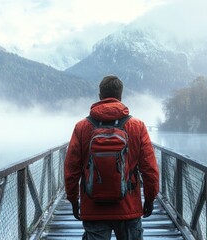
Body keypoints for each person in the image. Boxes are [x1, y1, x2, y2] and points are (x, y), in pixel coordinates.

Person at [64, 75, 159, 240]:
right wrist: (150, 198)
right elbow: (149, 169)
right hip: (128, 207)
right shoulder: (137, 126)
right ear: (120, 97)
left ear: (100, 96)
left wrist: (73, 199)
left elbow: (71, 169)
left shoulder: (81, 127)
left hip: (93, 207)